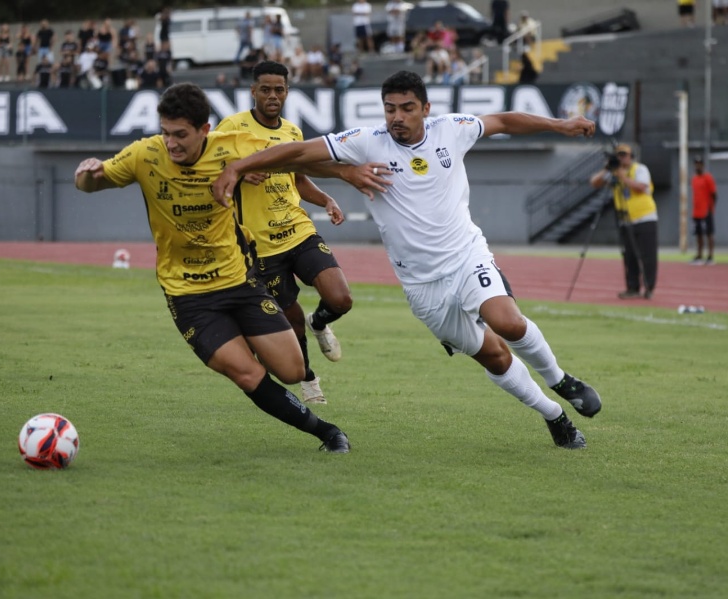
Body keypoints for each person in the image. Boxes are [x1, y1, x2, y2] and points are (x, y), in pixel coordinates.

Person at [213, 70, 601, 450]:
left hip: (466, 256)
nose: (397, 117)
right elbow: (300, 152)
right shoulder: (367, 141)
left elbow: (502, 120)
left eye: (407, 108)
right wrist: (241, 166)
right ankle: (555, 417)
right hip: (421, 286)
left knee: (507, 321)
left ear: (425, 109)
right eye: (390, 109)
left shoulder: (453, 128)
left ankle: (560, 380)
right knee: (495, 356)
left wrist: (560, 125)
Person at [74, 82, 351, 454]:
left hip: (240, 282)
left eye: (181, 135)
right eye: (166, 133)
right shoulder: (145, 154)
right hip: (188, 295)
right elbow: (92, 183)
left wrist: (351, 172)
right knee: (248, 373)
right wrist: (85, 174)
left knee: (292, 370)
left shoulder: (233, 147)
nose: (171, 143)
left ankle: (246, 339)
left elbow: (296, 160)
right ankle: (329, 434)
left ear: (205, 130)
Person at [216, 61, 356, 405]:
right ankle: (309, 380)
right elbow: (211, 170)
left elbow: (299, 178)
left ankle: (320, 322)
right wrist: (238, 174)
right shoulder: (231, 129)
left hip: (297, 229)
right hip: (261, 245)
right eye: (265, 89)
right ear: (253, 91)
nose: (273, 95)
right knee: (289, 319)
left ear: (287, 91)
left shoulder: (292, 132)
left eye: (279, 89)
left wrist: (325, 199)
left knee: (341, 298)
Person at [590, 143, 659, 299]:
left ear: (631, 156)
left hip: (645, 217)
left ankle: (649, 288)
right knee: (629, 256)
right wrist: (607, 169)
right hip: (625, 221)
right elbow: (594, 182)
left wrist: (623, 177)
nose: (621, 158)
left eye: (624, 155)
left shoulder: (640, 169)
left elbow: (641, 187)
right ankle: (632, 287)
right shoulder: (613, 173)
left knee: (648, 256)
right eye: (618, 155)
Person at [690, 155, 717, 264]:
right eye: (696, 164)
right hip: (696, 212)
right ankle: (699, 255)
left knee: (709, 233)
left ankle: (710, 256)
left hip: (706, 211)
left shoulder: (708, 178)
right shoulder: (694, 179)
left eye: (699, 164)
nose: (698, 166)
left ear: (703, 165)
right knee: (698, 234)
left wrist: (710, 207)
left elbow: (714, 194)